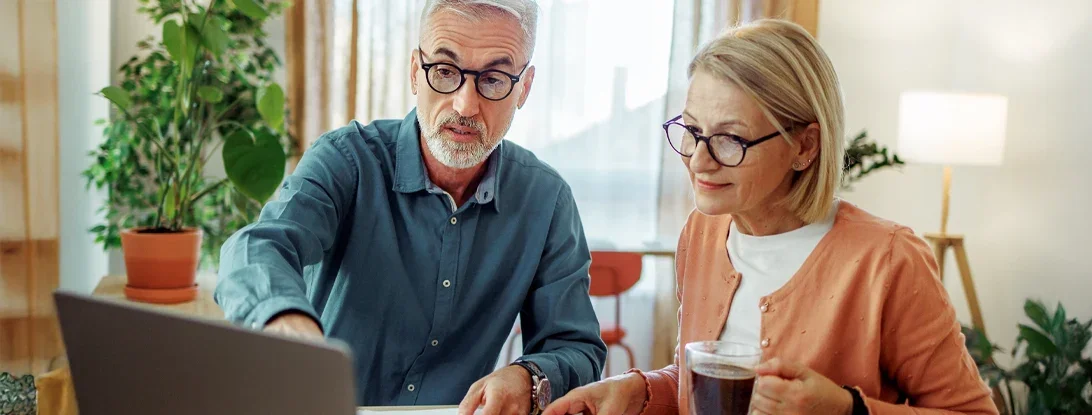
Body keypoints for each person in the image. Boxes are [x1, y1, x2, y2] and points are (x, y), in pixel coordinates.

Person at [544, 19, 998, 415]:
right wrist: (637, 392)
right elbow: (708, 386)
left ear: (804, 147)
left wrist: (845, 409)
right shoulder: (702, 233)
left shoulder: (889, 260)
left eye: (730, 140)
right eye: (692, 131)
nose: (699, 161)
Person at [214, 0, 607, 413]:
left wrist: (529, 377)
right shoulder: (346, 160)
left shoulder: (546, 201)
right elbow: (255, 248)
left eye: (493, 79)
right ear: (415, 73)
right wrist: (283, 319)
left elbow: (576, 347)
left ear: (523, 88)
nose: (465, 106)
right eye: (444, 71)